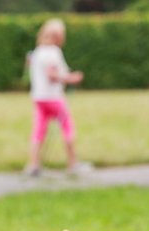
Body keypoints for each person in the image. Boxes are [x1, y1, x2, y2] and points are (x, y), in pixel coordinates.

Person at [24, 19, 88, 177]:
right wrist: (72, 78)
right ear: (59, 36)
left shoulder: (37, 52)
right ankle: (73, 163)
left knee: (38, 131)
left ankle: (33, 164)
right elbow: (52, 75)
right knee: (67, 127)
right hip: (53, 98)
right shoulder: (53, 52)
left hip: (38, 98)